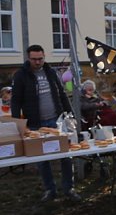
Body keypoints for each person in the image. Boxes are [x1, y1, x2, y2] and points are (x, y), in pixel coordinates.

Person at [10, 45, 80, 201]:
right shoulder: (21, 75)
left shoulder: (51, 72)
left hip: (57, 121)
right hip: (36, 123)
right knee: (42, 159)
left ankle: (69, 188)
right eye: (34, 59)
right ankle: (50, 190)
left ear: (44, 57)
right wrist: (18, 123)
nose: (37, 62)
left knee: (66, 155)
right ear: (28, 58)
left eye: (40, 58)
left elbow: (62, 94)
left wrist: (70, 114)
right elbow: (16, 101)